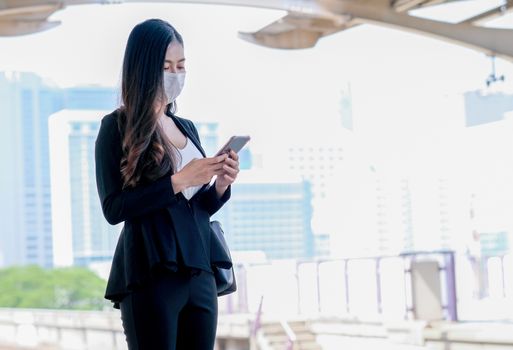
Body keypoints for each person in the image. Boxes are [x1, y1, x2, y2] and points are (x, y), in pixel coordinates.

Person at [94, 18, 240, 349]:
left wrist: (219, 185)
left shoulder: (186, 126)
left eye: (181, 65)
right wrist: (178, 180)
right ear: (145, 69)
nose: (175, 74)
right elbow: (114, 208)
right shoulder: (116, 126)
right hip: (151, 273)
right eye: (166, 66)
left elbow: (195, 207)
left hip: (201, 270)